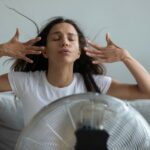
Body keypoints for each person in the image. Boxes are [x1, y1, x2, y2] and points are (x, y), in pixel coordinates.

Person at [0, 17, 150, 125]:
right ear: (44, 51)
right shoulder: (26, 81)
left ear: (78, 52)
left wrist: (126, 57)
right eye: (56, 38)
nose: (64, 42)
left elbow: (146, 92)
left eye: (71, 39)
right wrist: (1, 50)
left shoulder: (94, 84)